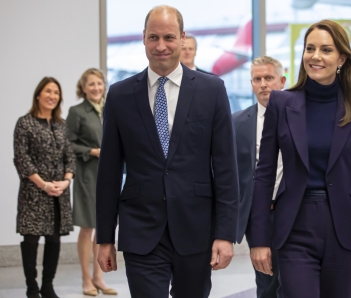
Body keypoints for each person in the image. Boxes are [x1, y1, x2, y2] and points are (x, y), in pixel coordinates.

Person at [95, 5, 239, 297]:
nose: (161, 46)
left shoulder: (212, 90)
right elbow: (108, 172)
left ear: (183, 38)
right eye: (153, 38)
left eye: (169, 37)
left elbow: (226, 167)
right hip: (141, 228)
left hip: (196, 228)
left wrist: (225, 234)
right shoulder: (120, 95)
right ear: (144, 39)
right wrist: (106, 237)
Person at [249, 20, 351, 297]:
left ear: (341, 59)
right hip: (294, 226)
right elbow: (263, 176)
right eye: (310, 48)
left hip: (344, 228)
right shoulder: (281, 103)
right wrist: (259, 239)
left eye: (325, 49)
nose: (315, 56)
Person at [14, 77, 75, 298]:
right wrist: (43, 184)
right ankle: (32, 287)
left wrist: (67, 180)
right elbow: (22, 158)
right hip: (34, 192)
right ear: (38, 95)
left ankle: (47, 286)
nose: (52, 96)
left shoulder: (61, 124)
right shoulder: (25, 122)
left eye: (56, 93)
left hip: (59, 193)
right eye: (48, 91)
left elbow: (70, 156)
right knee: (30, 239)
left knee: (54, 239)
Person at [233, 56, 286, 298]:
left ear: (282, 81)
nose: (263, 84)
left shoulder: (300, 116)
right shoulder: (237, 123)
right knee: (266, 284)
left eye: (268, 78)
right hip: (258, 215)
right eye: (257, 79)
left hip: (295, 212)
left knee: (296, 280)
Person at [66, 68, 117, 296]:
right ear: (83, 88)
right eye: (91, 84)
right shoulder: (76, 112)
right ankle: (86, 279)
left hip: (109, 176)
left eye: (99, 83)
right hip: (87, 175)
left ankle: (99, 278)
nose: (96, 88)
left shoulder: (110, 109)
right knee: (87, 227)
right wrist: (92, 151)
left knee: (103, 227)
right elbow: (69, 145)